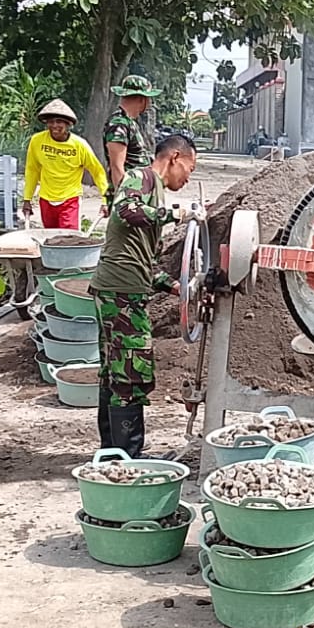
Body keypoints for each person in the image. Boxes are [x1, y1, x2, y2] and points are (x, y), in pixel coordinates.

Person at [89, 133, 202, 457]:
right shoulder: (141, 178)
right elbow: (125, 211)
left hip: (120, 290)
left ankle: (113, 450)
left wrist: (175, 285)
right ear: (175, 157)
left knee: (115, 371)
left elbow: (144, 262)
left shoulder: (154, 190)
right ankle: (129, 457)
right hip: (120, 294)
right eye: (190, 169)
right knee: (131, 373)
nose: (188, 177)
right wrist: (177, 215)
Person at [22, 99, 108, 230]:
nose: (54, 126)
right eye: (51, 121)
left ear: (68, 124)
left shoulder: (79, 145)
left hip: (70, 200)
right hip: (46, 199)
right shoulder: (37, 141)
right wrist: (27, 199)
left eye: (59, 121)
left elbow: (97, 172)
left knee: (68, 240)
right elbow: (32, 170)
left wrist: (105, 200)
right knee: (50, 238)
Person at [103, 75, 160, 185]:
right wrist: (124, 198)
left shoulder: (130, 122)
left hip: (137, 190)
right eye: (149, 98)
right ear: (141, 99)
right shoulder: (119, 124)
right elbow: (117, 167)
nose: (150, 103)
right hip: (129, 193)